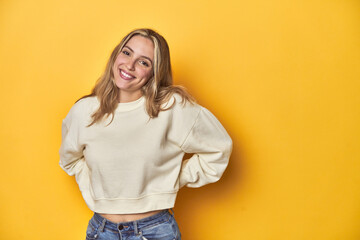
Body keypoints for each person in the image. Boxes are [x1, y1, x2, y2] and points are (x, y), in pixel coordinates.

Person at [59, 28, 232, 240]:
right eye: (127, 52)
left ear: (154, 72)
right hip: (101, 231)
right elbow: (70, 160)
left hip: (154, 232)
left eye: (144, 62)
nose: (129, 65)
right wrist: (93, 187)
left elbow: (219, 148)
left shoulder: (172, 108)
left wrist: (175, 178)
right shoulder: (84, 111)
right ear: (116, 55)